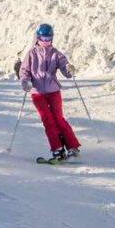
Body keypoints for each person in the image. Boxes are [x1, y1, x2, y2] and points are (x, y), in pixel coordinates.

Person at [18, 23, 80, 162]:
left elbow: (64, 67)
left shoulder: (56, 53)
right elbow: (24, 71)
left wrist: (69, 69)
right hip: (37, 93)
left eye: (48, 39)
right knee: (48, 120)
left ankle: (72, 147)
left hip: (53, 91)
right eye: (43, 39)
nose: (46, 42)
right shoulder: (32, 53)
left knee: (58, 119)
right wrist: (25, 82)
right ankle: (57, 148)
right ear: (37, 38)